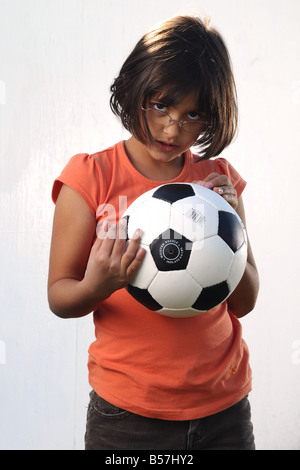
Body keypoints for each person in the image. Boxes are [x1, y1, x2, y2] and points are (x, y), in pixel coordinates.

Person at [48, 15, 259, 450]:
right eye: (161, 105)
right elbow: (59, 296)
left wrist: (232, 217)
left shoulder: (217, 182)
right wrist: (97, 285)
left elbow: (245, 301)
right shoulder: (91, 177)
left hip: (223, 405)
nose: (172, 127)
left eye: (193, 114)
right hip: (127, 412)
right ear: (135, 90)